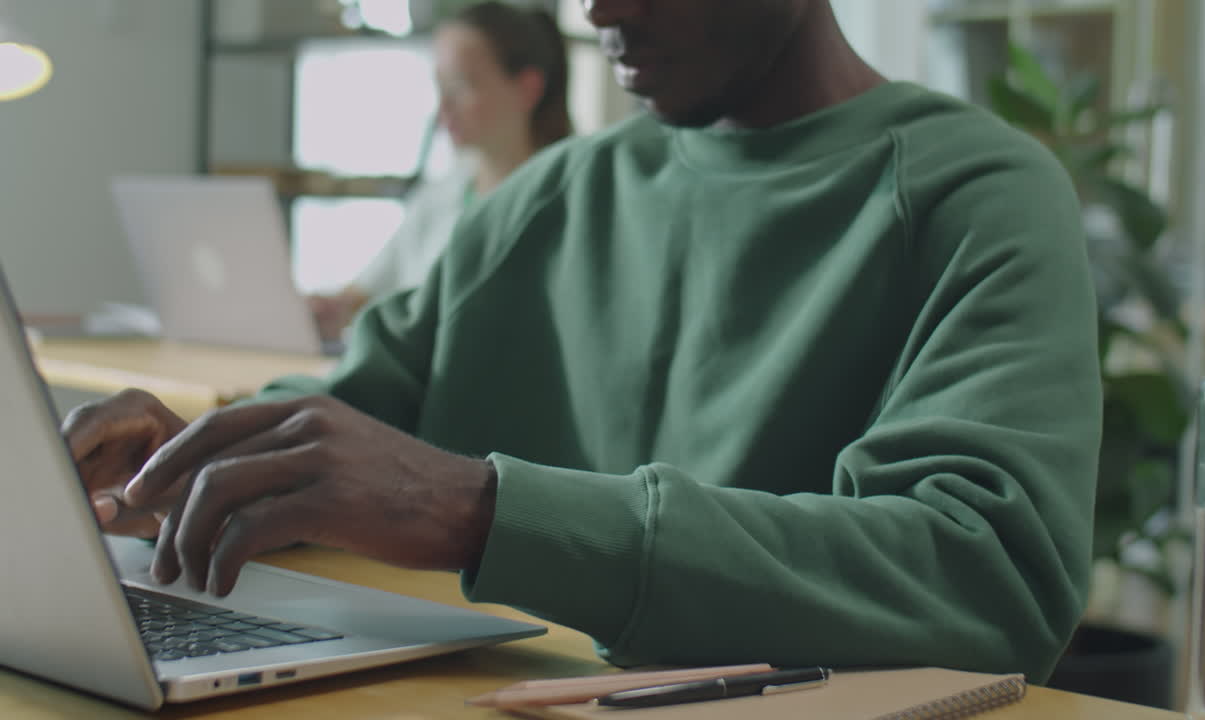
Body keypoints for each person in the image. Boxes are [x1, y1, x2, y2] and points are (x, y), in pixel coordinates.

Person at [64, 0, 1102, 684]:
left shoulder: (976, 198)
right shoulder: (558, 194)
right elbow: (377, 406)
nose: (598, 8)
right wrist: (197, 453)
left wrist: (481, 513)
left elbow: (987, 580)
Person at [307, 1, 573, 341]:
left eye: (462, 86)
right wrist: (330, 311)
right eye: (440, 86)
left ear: (528, 88)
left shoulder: (567, 200)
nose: (444, 107)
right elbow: (363, 295)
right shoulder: (442, 193)